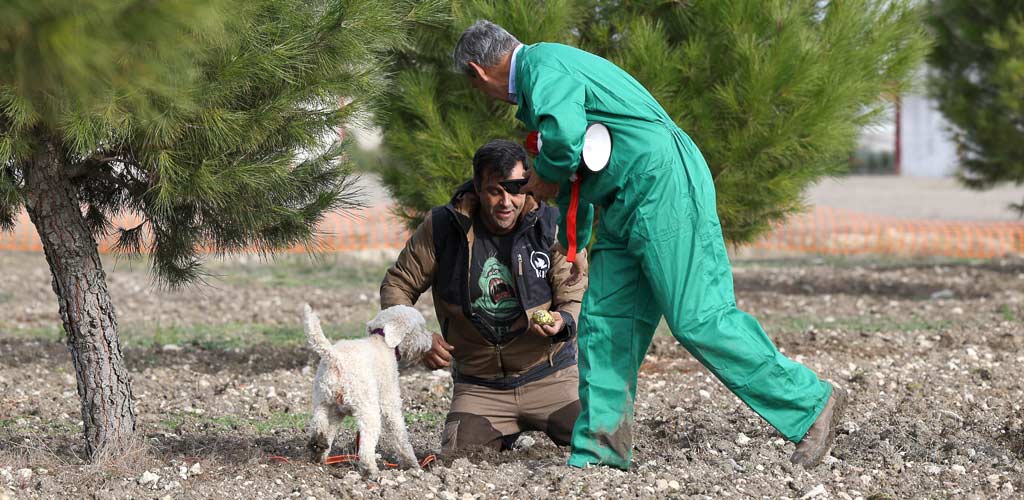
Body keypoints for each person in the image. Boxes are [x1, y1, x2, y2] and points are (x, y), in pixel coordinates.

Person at [452, 20, 848, 470]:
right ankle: (600, 452)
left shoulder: (542, 67)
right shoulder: (547, 71)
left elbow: (562, 143)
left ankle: (809, 403)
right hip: (624, 203)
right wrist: (573, 243)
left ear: (477, 72)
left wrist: (543, 176)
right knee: (606, 326)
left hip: (661, 190)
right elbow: (581, 167)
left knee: (698, 317)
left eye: (474, 87)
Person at [380, 139, 588, 456]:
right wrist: (414, 335)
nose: (507, 201)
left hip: (552, 376)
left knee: (602, 442)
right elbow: (398, 283)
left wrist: (564, 320)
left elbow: (574, 290)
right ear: (478, 187)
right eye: (495, 190)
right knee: (456, 460)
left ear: (529, 185)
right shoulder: (441, 227)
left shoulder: (552, 225)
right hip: (480, 387)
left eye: (516, 189)